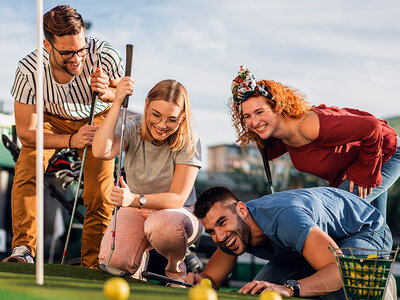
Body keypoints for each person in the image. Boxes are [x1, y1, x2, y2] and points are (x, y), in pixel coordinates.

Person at [3, 5, 124, 268]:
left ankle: (94, 262)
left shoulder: (106, 54)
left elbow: (122, 97)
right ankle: (23, 248)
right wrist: (71, 140)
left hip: (98, 119)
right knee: (27, 166)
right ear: (47, 45)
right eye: (67, 53)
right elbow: (26, 133)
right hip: (50, 120)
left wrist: (107, 93)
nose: (77, 59)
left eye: (80, 50)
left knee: (100, 193)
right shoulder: (29, 70)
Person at [229, 66, 400, 219]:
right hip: (359, 161)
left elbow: (372, 127)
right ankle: (379, 254)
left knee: (335, 211)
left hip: (385, 152)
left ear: (278, 107)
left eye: (259, 112)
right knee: (373, 223)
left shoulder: (308, 126)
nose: (254, 121)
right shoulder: (280, 135)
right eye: (247, 117)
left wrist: (365, 170)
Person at [185, 186, 394, 299]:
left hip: (364, 229)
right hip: (306, 247)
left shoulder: (286, 219)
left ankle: (383, 287)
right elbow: (210, 278)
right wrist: (198, 280)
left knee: (342, 289)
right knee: (256, 294)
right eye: (211, 231)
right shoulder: (232, 233)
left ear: (241, 210)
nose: (220, 237)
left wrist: (291, 288)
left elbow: (338, 270)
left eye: (222, 223)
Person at [93, 77, 203, 281]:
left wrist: (134, 199)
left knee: (163, 225)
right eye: (156, 115)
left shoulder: (189, 140)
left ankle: (175, 272)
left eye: (172, 119)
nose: (162, 125)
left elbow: (177, 198)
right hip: (136, 210)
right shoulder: (132, 126)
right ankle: (136, 266)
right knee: (114, 263)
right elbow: (101, 150)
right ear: (146, 105)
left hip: (178, 214)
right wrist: (117, 102)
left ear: (182, 117)